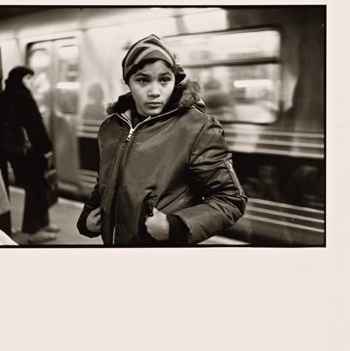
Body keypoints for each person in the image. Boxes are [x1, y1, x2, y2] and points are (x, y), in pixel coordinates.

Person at [76, 34, 247, 245]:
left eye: (164, 80)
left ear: (174, 80)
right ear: (127, 81)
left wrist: (176, 225)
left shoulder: (197, 128)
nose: (155, 91)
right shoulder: (111, 128)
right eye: (142, 80)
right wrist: (88, 217)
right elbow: (104, 183)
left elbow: (230, 199)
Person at [0, 66, 59, 243]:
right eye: (28, 79)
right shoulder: (24, 98)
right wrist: (47, 147)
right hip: (30, 151)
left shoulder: (1, 97)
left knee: (37, 185)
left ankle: (44, 223)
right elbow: (36, 126)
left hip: (13, 149)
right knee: (36, 187)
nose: (31, 82)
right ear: (21, 79)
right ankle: (33, 231)